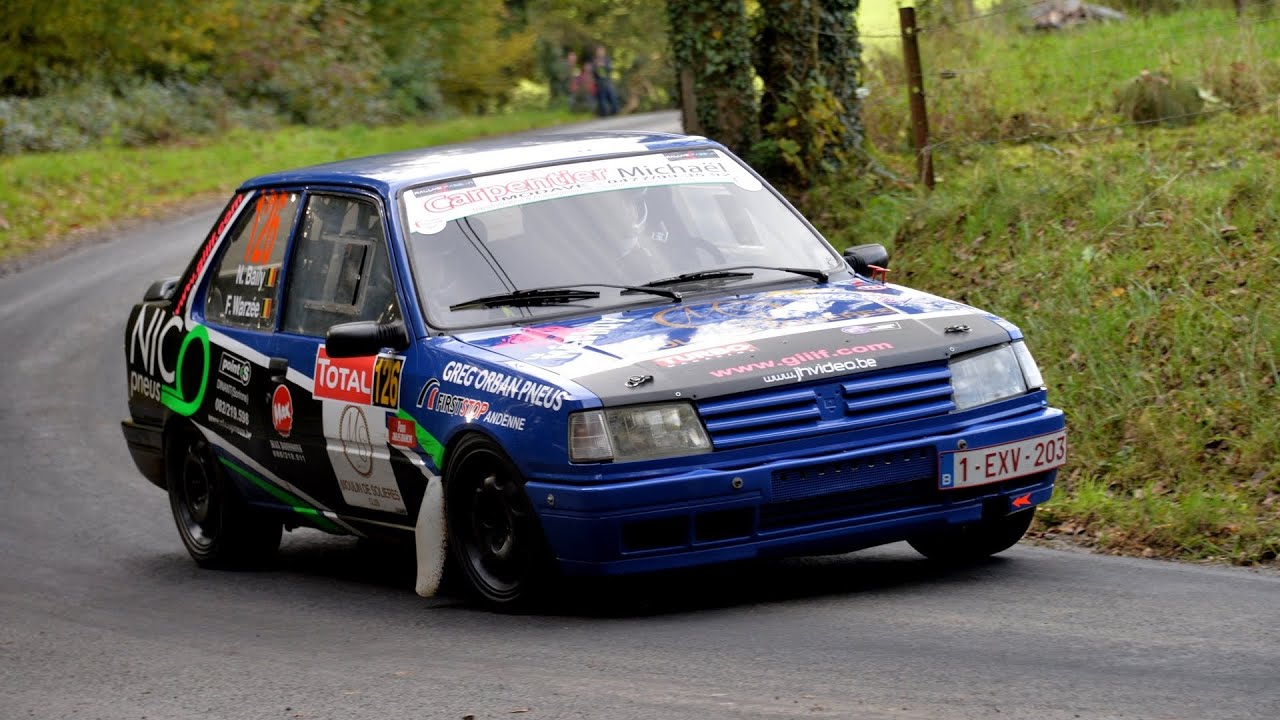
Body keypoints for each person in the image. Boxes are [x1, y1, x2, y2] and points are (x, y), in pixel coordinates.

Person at [591, 45, 619, 117]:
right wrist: (597, 66)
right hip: (599, 83)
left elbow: (611, 69)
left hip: (608, 82)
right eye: (598, 51)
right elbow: (593, 71)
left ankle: (615, 112)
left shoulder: (607, 59)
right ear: (596, 52)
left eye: (601, 51)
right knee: (602, 99)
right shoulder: (594, 60)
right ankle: (604, 114)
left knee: (613, 97)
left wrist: (604, 66)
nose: (600, 53)